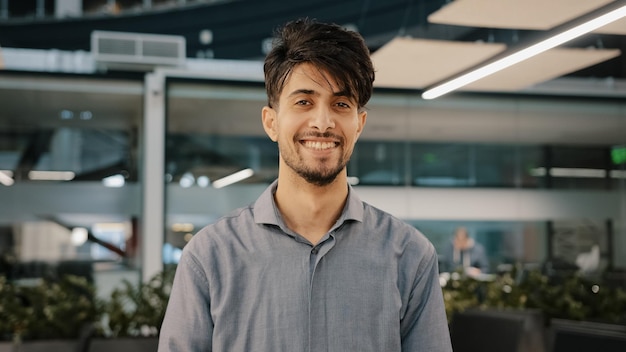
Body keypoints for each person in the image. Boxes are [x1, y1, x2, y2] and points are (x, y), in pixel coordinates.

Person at [158, 18, 452, 352]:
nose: (323, 122)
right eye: (304, 102)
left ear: (359, 124)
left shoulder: (410, 256)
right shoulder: (210, 257)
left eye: (341, 104)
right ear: (271, 122)